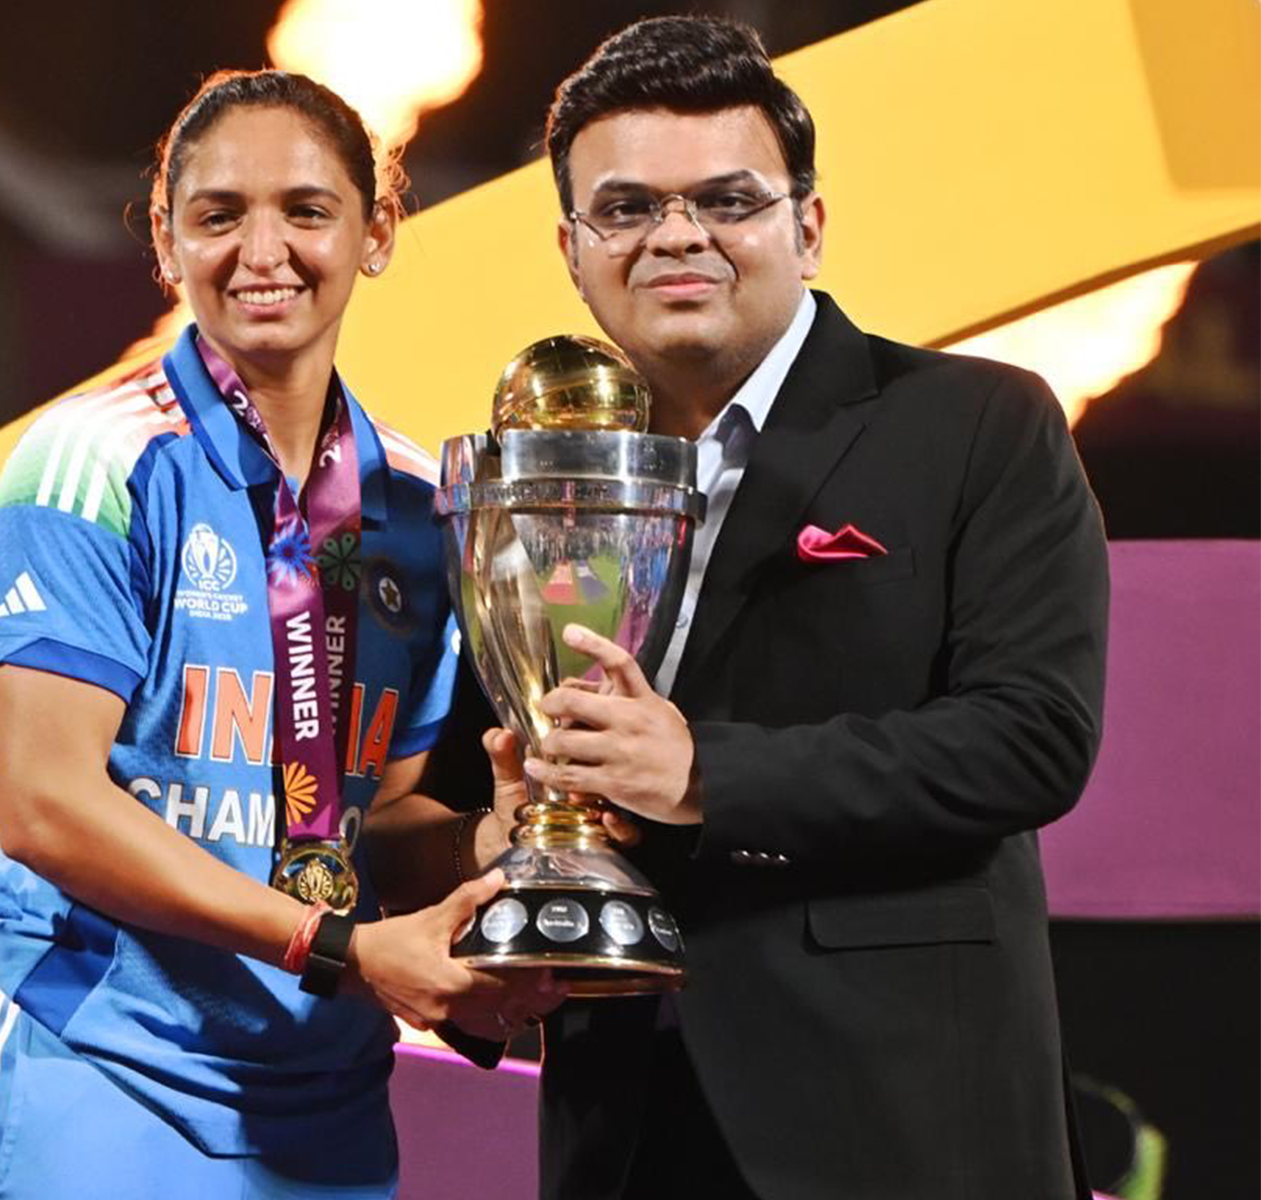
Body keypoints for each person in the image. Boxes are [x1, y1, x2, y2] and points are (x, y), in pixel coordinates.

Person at [416, 16, 1109, 1200]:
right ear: (573, 248)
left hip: (903, 1125)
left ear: (809, 224)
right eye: (626, 207)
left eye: (726, 199)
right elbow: (456, 794)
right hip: (622, 1126)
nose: (677, 234)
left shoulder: (977, 423)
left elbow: (1028, 739)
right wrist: (515, 837)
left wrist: (701, 774)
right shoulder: (536, 477)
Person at [0, 69, 559, 1200]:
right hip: (108, 1070)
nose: (260, 250)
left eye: (306, 211)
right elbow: (44, 806)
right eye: (219, 215)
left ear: (375, 233)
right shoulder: (92, 461)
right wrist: (343, 951)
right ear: (166, 247)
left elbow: (374, 816)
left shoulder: (424, 508)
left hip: (320, 1098)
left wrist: (494, 841)